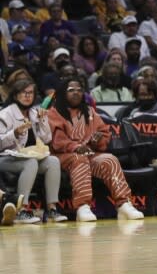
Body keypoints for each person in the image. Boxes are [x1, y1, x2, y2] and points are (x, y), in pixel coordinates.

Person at [48, 76, 145, 222]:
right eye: (71, 90)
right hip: (63, 156)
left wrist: (96, 141)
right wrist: (76, 146)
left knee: (109, 160)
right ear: (63, 93)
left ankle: (124, 204)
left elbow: (104, 133)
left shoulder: (89, 112)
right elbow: (57, 141)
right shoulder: (54, 112)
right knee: (79, 159)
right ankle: (83, 207)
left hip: (89, 154)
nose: (76, 93)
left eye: (79, 90)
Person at [0, 79, 66, 223]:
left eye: (30, 93)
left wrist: (42, 120)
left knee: (53, 161)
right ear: (16, 95)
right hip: (5, 158)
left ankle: (51, 209)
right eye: (23, 93)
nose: (27, 96)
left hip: (28, 158)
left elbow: (47, 139)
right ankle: (21, 210)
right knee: (30, 163)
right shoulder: (5, 114)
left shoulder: (35, 112)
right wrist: (15, 133)